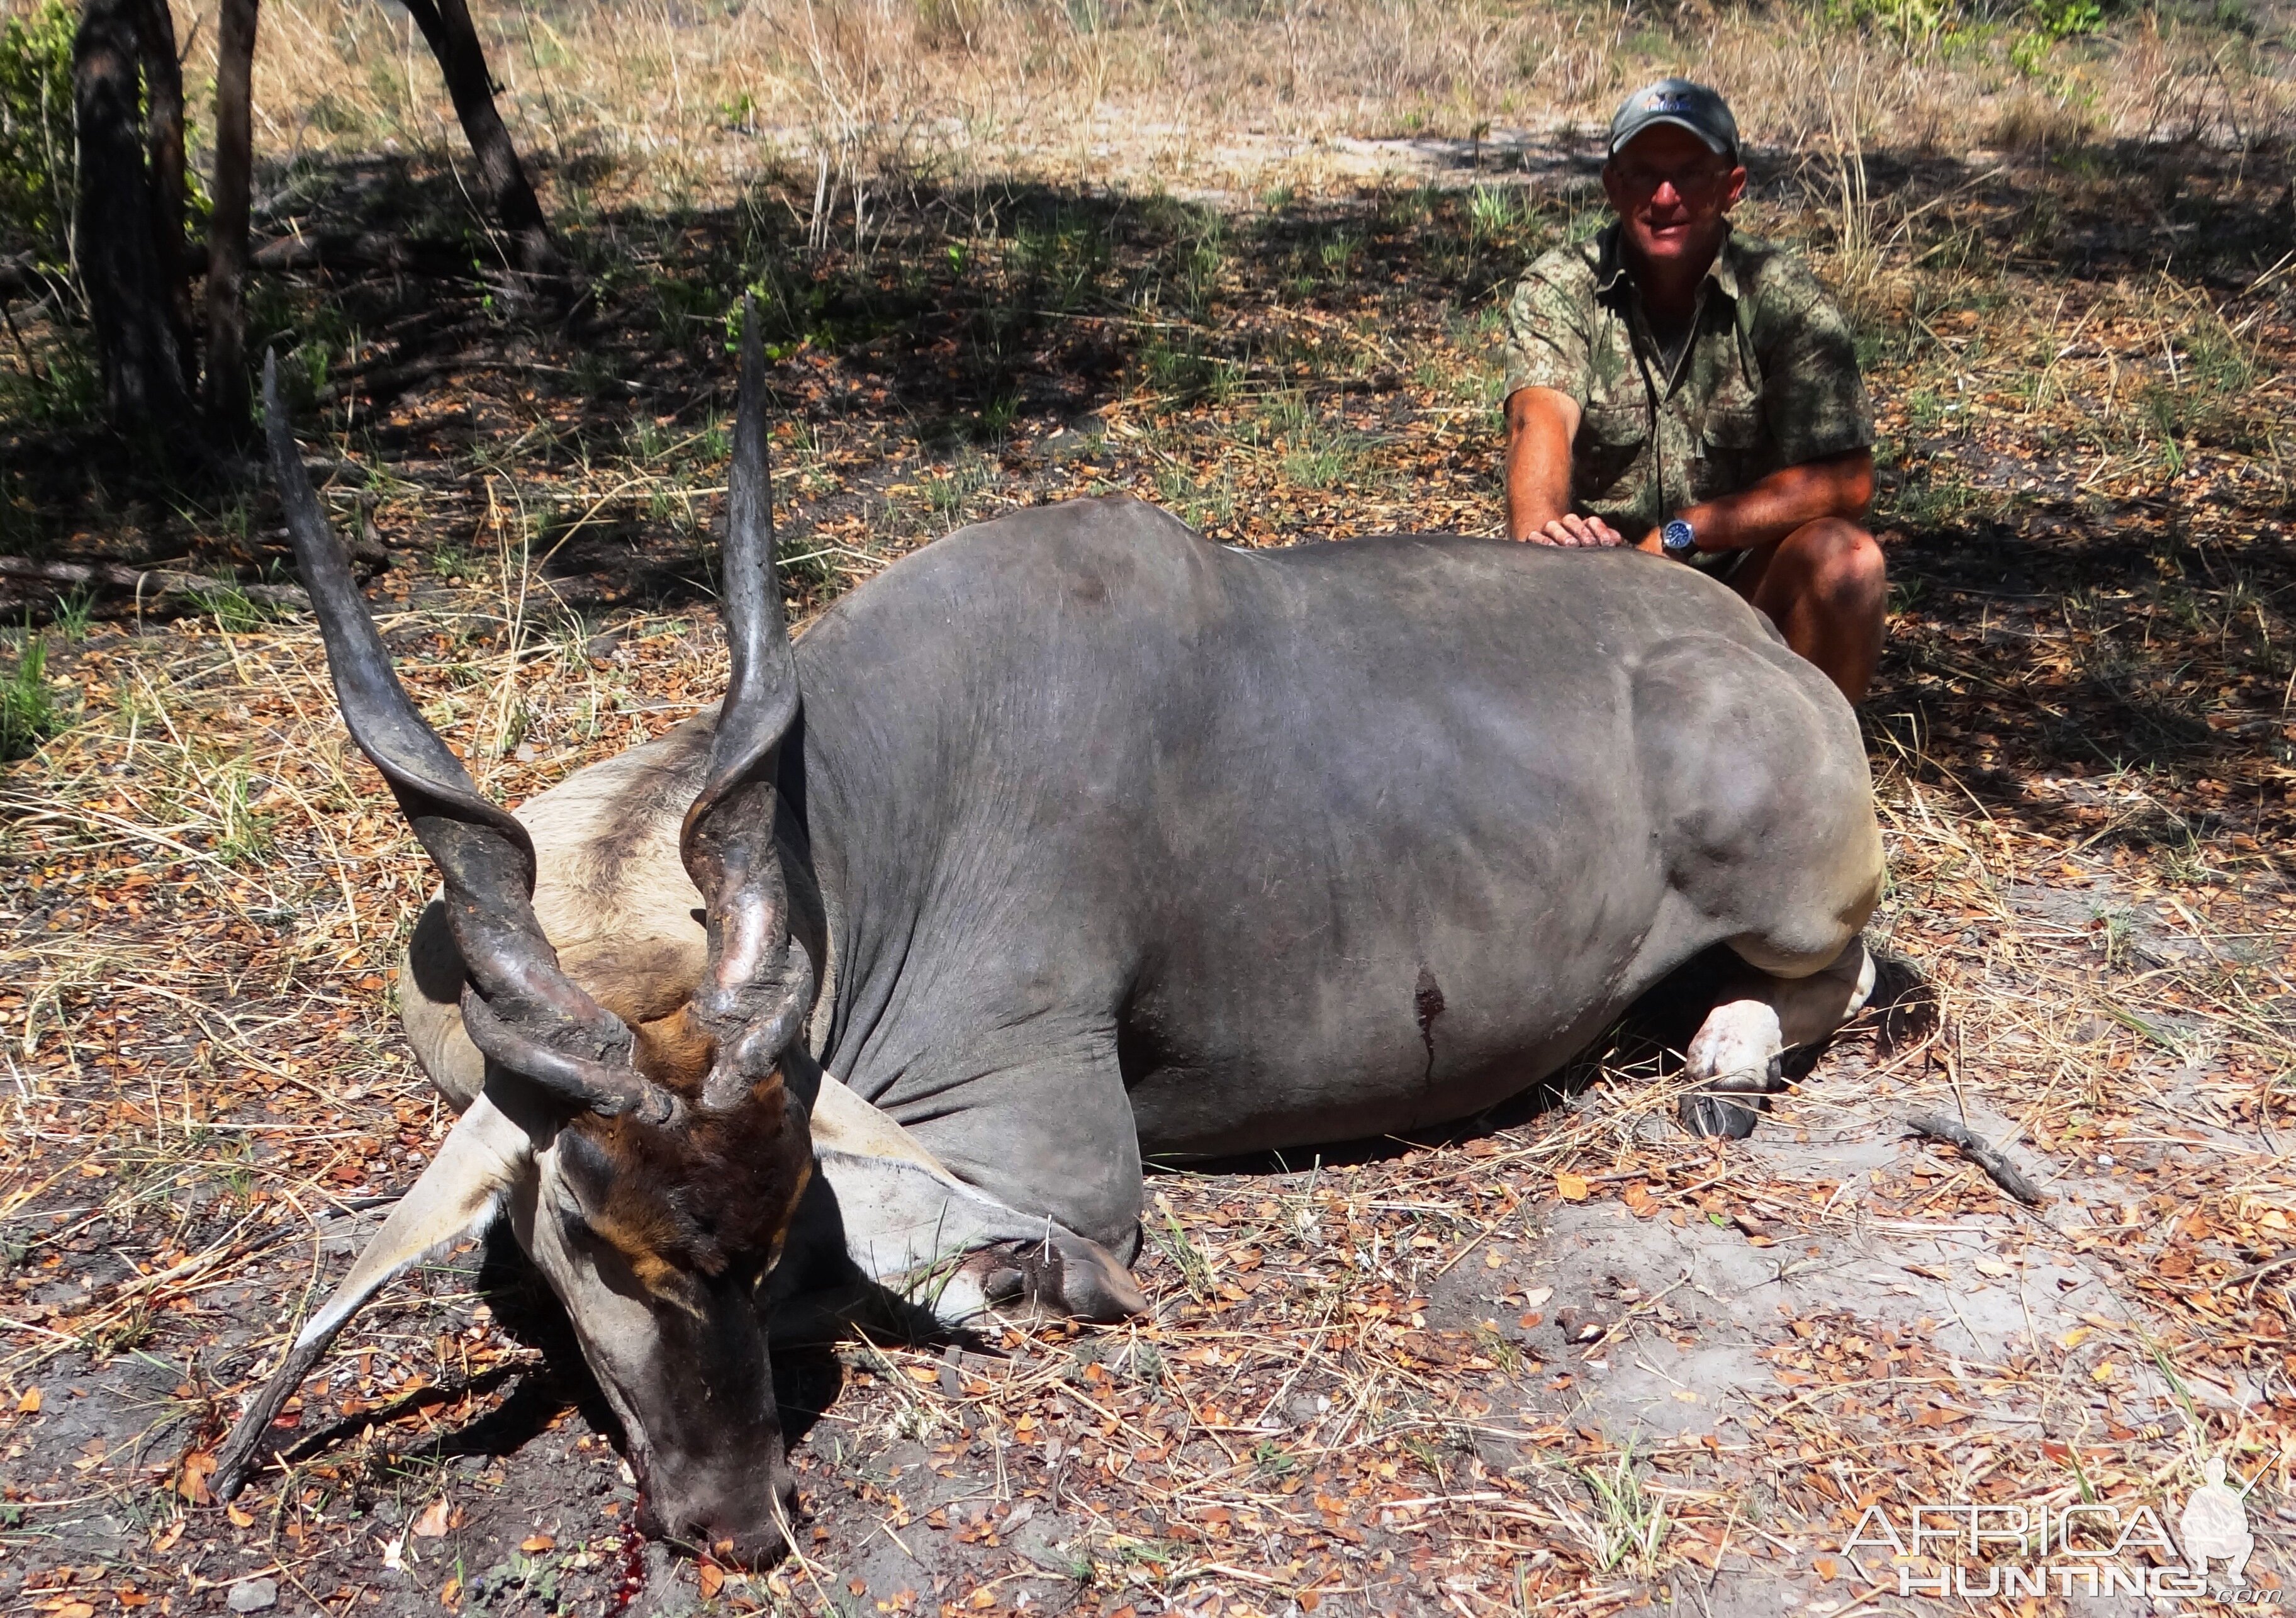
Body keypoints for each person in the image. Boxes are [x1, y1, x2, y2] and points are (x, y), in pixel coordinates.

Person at [1500, 78, 1886, 702]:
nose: (1664, 197)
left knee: (1850, 562)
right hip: (1596, 592)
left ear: (1730, 187)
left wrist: (1687, 532)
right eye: (1643, 174)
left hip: (1736, 593)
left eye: (1689, 174)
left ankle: (1811, 778)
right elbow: (1536, 419)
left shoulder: (1784, 297)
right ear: (1612, 185)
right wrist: (1544, 547)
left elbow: (1847, 480)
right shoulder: (1560, 287)